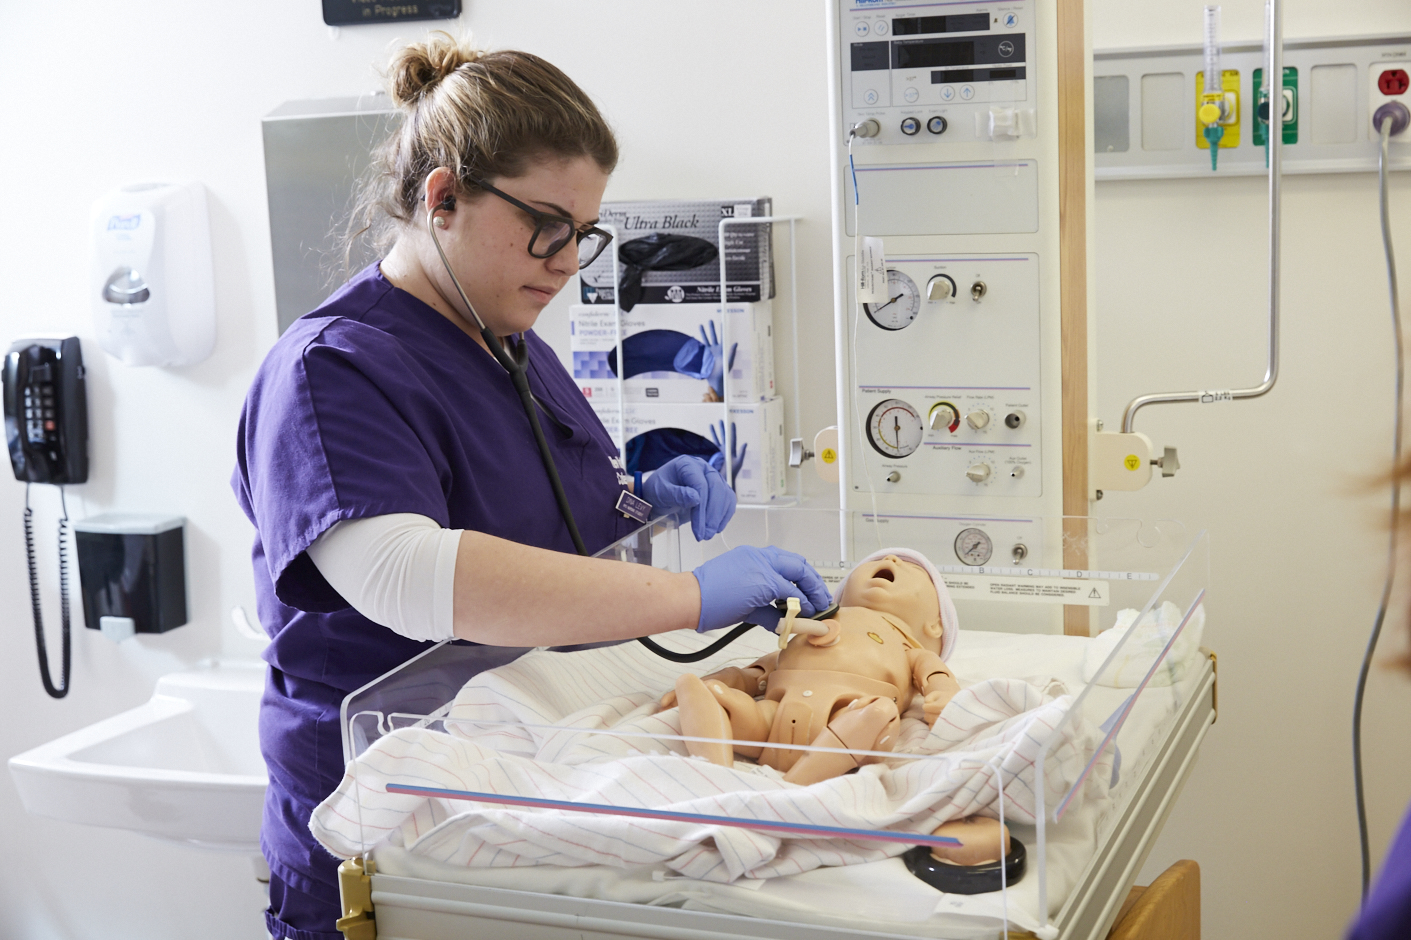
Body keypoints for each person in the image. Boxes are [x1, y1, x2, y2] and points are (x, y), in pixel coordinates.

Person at [232, 34, 828, 940]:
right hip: (386, 822)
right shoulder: (332, 369)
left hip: (520, 785)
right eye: (547, 224)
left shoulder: (506, 339)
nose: (566, 259)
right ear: (442, 198)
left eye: (582, 233)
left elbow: (529, 515)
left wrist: (639, 500)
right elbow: (403, 574)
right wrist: (690, 595)